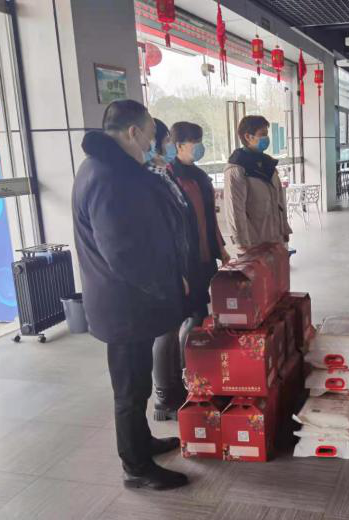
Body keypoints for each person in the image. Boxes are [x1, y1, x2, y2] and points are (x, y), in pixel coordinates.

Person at [72, 100, 188, 490]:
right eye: (152, 135)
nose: (154, 143)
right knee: (129, 390)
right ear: (133, 132)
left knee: (137, 384)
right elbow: (122, 252)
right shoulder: (109, 176)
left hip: (128, 300)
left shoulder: (109, 168)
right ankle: (136, 467)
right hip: (123, 304)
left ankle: (142, 443)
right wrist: (165, 286)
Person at [170, 122, 230, 345]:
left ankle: (197, 355)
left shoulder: (199, 176)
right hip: (186, 260)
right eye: (194, 141)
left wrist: (221, 249)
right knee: (192, 313)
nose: (199, 146)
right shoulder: (170, 177)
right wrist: (178, 269)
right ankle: (186, 358)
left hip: (204, 256)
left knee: (202, 309)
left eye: (199, 140)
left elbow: (209, 217)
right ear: (179, 145)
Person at [148, 118, 189, 421]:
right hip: (159, 268)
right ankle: (164, 395)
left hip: (174, 263)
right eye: (164, 141)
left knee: (173, 328)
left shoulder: (161, 172)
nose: (167, 147)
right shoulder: (147, 177)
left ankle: (174, 386)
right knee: (164, 332)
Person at [223, 115, 292, 254]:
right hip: (253, 242)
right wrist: (241, 241)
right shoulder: (237, 168)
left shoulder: (268, 164)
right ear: (248, 136)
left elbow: (279, 201)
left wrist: (284, 228)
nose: (267, 138)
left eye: (267, 134)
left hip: (275, 237)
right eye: (262, 134)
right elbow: (235, 209)